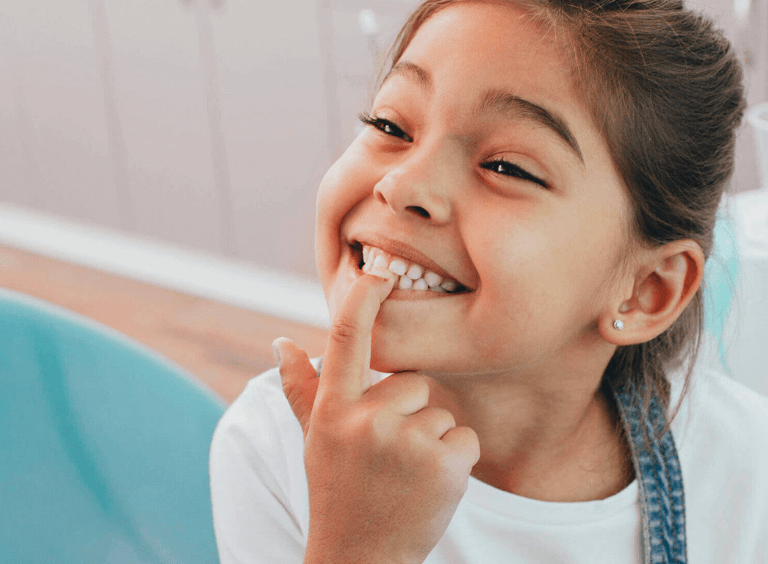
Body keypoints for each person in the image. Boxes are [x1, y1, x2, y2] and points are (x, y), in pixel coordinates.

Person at [209, 1, 768, 562]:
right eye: (391, 125)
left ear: (648, 290)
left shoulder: (748, 472)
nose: (403, 185)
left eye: (506, 167)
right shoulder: (270, 449)